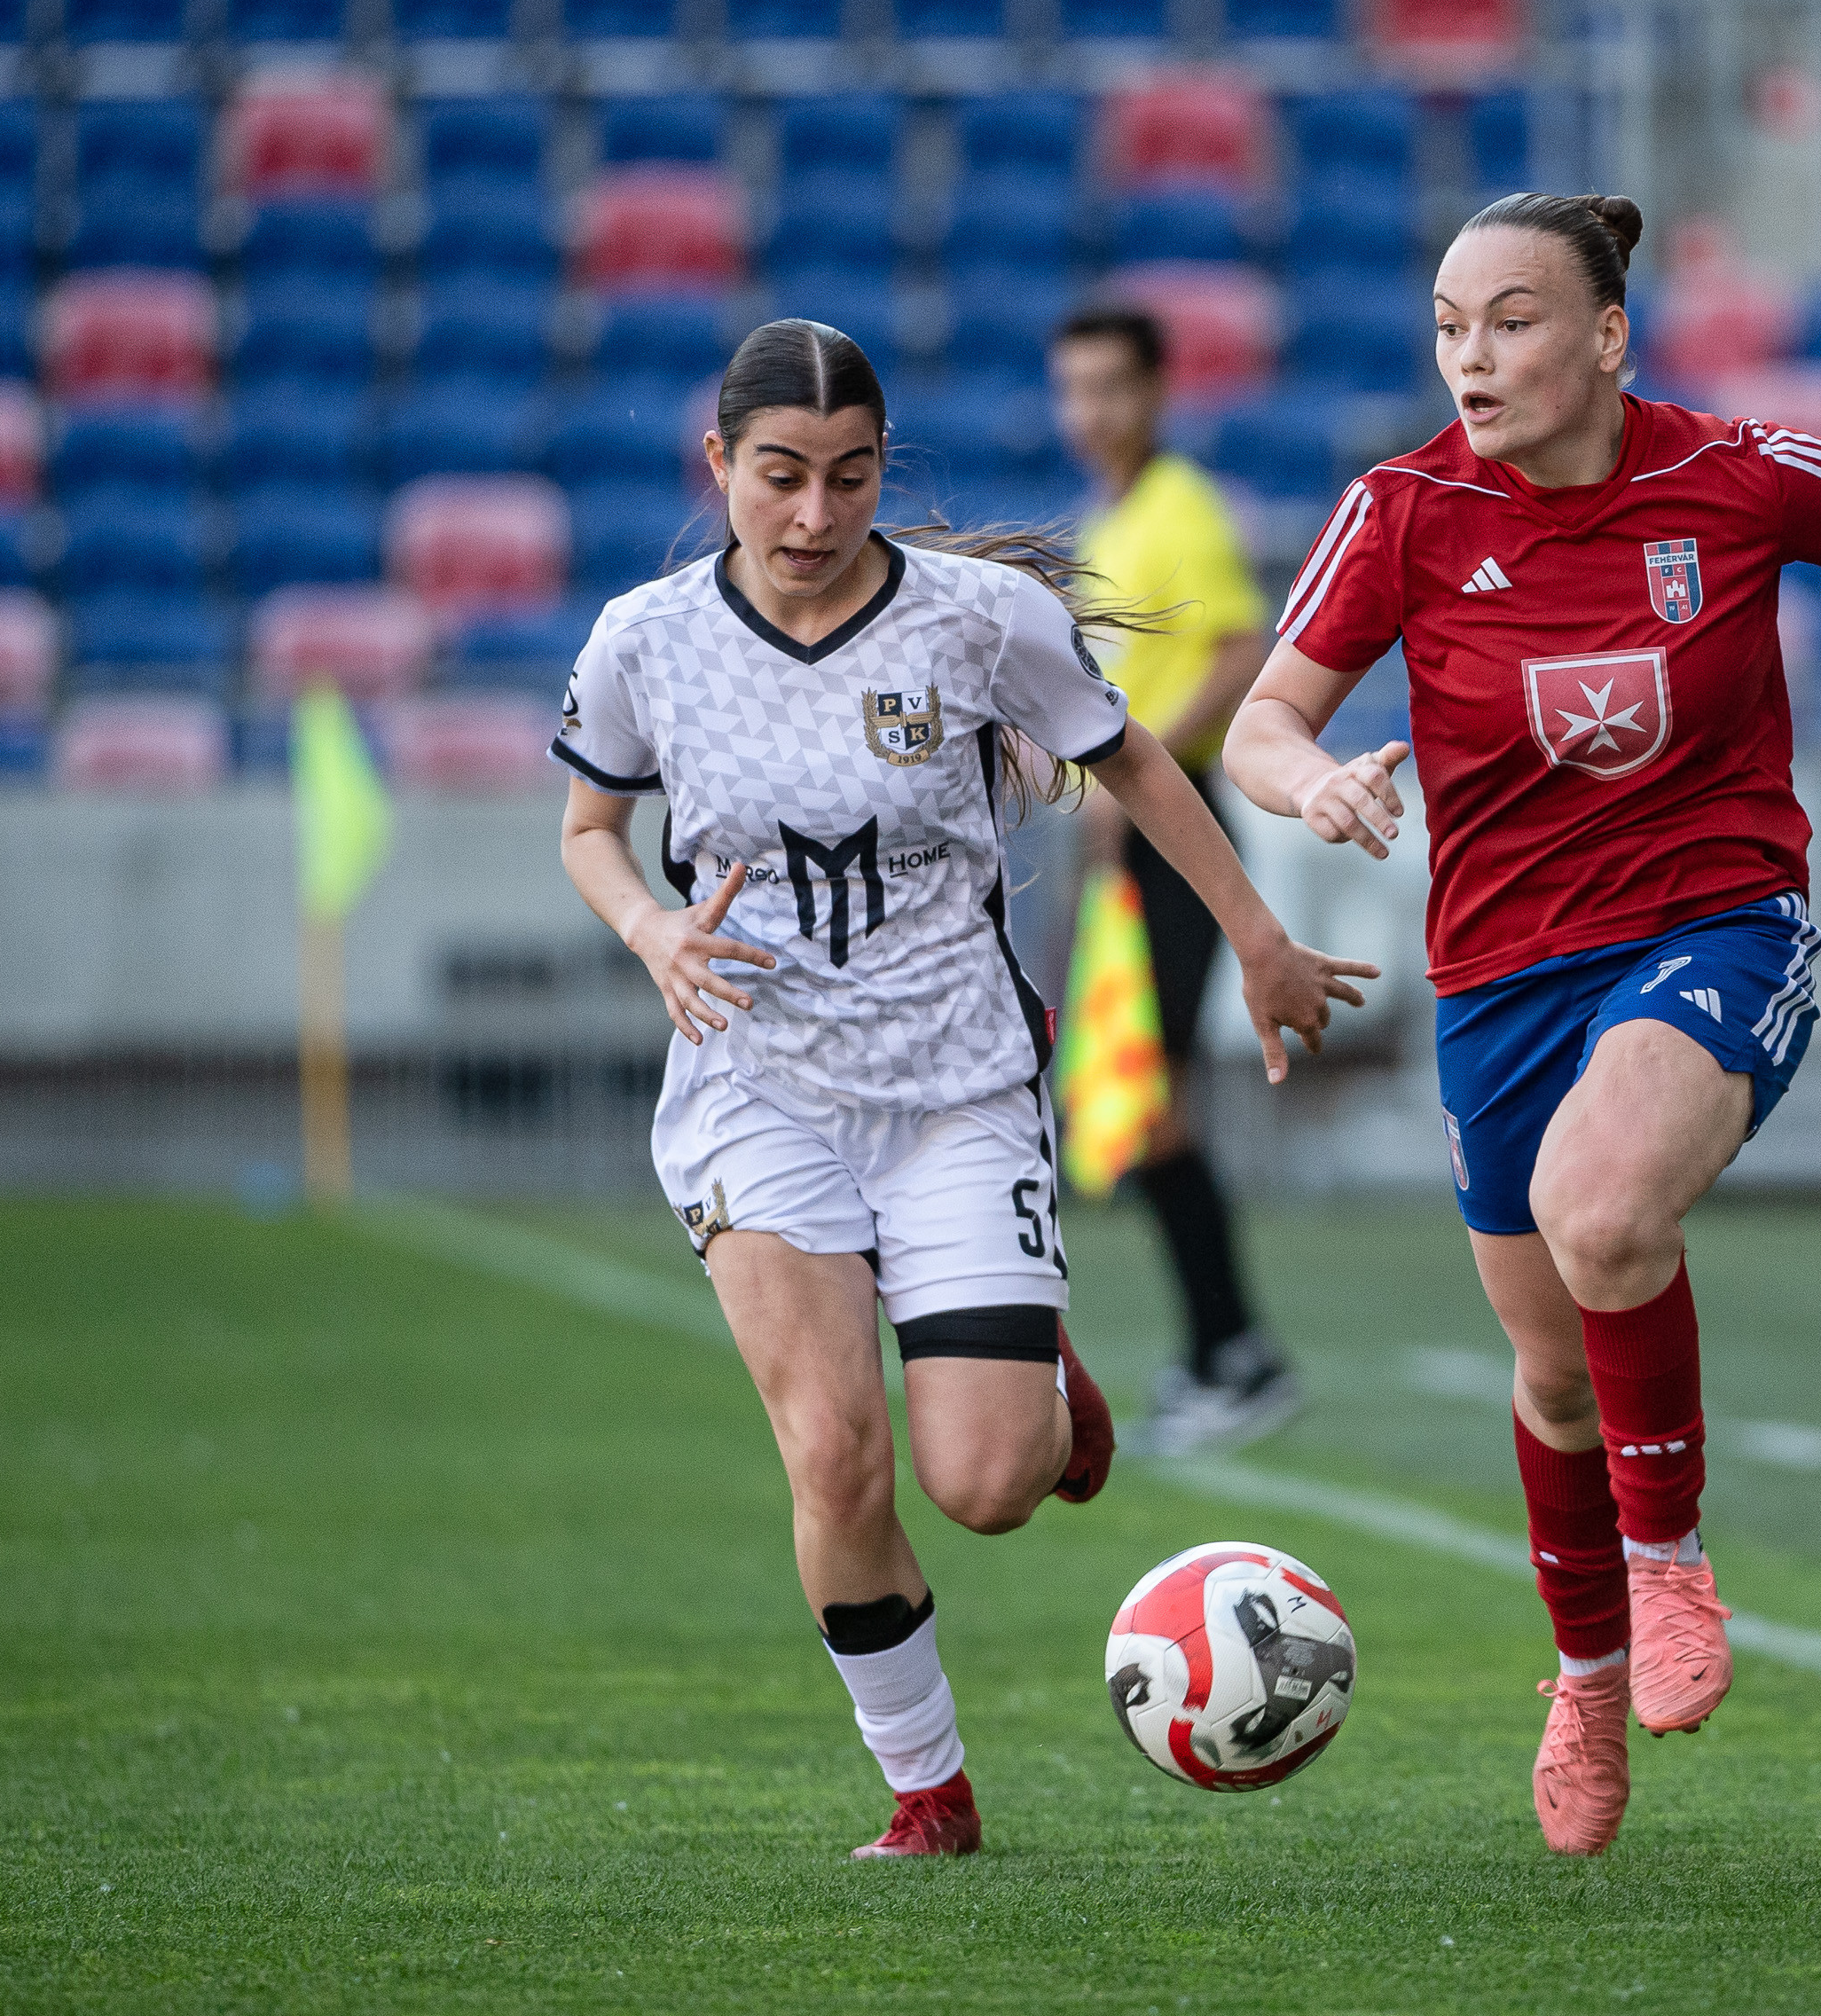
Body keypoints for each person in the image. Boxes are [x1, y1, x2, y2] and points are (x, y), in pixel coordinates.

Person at [1222, 192, 1821, 1855]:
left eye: (1511, 321)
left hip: (1713, 925)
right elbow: (1262, 722)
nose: (1470, 358)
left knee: (1601, 1212)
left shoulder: (1738, 475)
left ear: (1607, 337)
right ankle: (1587, 1682)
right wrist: (1318, 787)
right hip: (1500, 977)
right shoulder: (1404, 511)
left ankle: (1669, 1567)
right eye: (1448, 327)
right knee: (1552, 1376)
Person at [553, 320, 1371, 1860]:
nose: (814, 515)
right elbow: (590, 830)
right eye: (780, 476)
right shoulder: (643, 642)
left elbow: (1135, 760)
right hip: (756, 1091)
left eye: (850, 477)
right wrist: (652, 929)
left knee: (988, 1485)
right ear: (719, 463)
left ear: (885, 470)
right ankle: (927, 1792)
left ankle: (1034, 1369)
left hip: (958, 1091)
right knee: (833, 1456)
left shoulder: (979, 620)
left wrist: (1260, 940)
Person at [1048, 303, 1303, 1455]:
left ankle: (1235, 1354)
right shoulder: (1109, 521)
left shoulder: (1180, 509)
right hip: (1124, 846)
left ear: (1155, 392)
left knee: (1153, 1103)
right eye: (1073, 388)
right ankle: (1220, 1352)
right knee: (1132, 1097)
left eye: (1111, 386)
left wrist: (1133, 765)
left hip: (1175, 831)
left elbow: (1242, 652)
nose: (1090, 410)